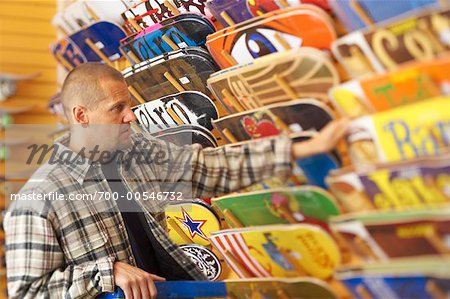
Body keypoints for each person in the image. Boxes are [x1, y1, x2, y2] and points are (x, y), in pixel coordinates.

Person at [4, 63, 348, 299]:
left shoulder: (137, 151)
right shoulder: (39, 198)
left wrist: (303, 147)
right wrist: (104, 273)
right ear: (81, 116)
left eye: (130, 104)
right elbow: (28, 292)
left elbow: (209, 168)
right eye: (117, 107)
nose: (131, 115)